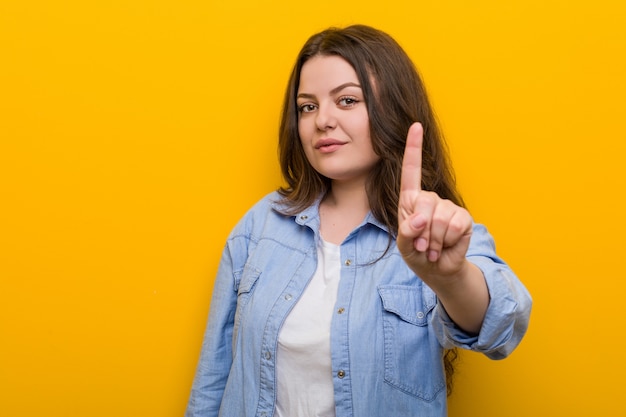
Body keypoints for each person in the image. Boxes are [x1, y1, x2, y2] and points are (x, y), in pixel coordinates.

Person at [185, 24, 532, 417]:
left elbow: (505, 325)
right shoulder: (260, 226)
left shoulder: (434, 231)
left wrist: (449, 278)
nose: (322, 121)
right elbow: (213, 378)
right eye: (308, 106)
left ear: (393, 108)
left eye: (347, 100)